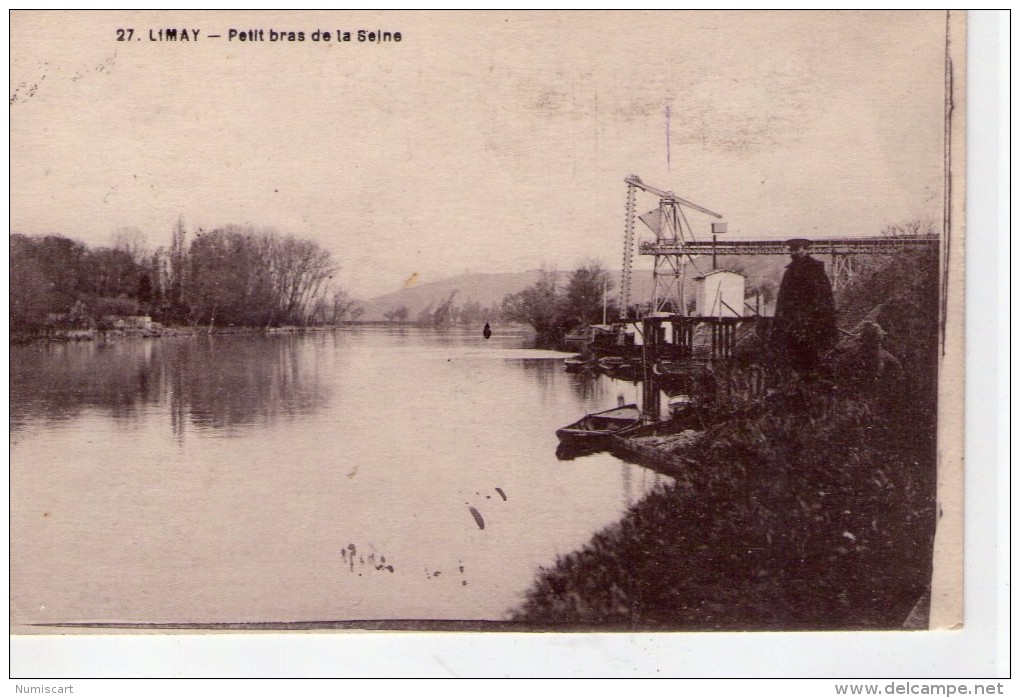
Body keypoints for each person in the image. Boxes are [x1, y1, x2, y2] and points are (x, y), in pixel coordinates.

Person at [769, 238, 838, 375]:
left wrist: (815, 316)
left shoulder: (815, 269)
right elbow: (782, 298)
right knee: (792, 356)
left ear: (806, 249)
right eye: (792, 249)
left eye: (797, 249)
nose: (793, 252)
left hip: (812, 320)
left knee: (811, 356)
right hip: (792, 321)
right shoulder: (789, 271)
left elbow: (824, 296)